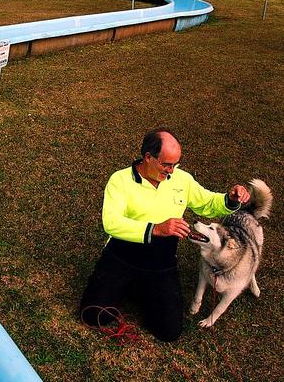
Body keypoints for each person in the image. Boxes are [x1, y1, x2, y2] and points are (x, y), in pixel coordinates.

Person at [79, 128, 250, 341]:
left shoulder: (182, 180)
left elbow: (207, 203)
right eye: (166, 164)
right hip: (122, 254)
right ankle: (129, 284)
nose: (171, 170)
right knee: (93, 316)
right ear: (148, 157)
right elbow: (111, 223)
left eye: (175, 164)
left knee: (168, 331)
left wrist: (231, 199)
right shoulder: (120, 180)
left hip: (161, 260)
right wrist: (156, 228)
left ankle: (141, 288)